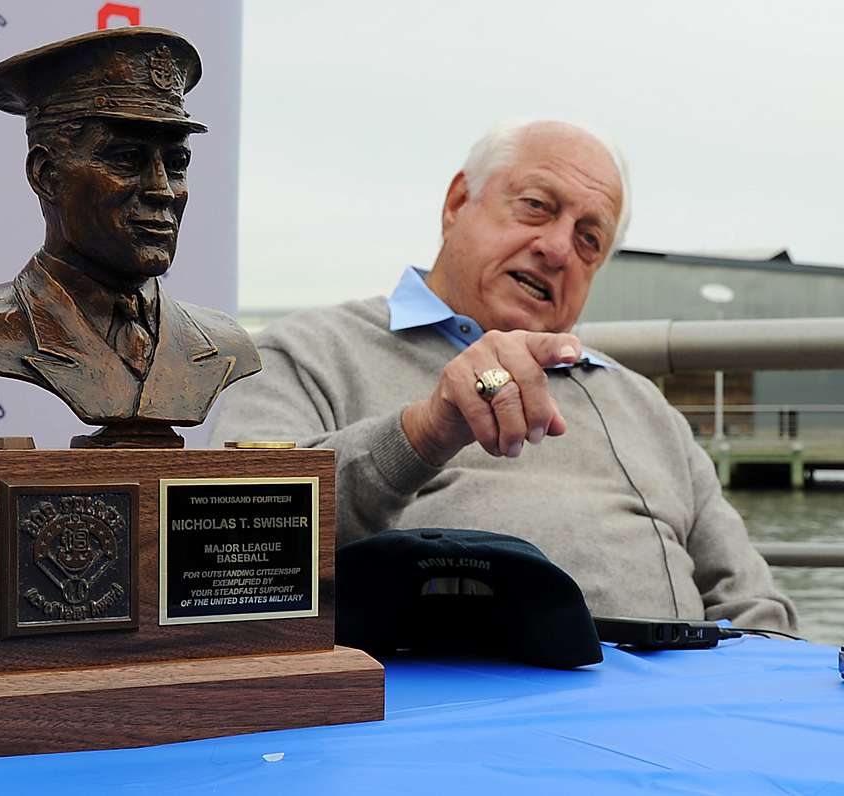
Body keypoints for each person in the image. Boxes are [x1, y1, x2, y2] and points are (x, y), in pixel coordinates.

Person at [210, 119, 797, 631]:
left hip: (665, 723)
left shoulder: (644, 406)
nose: (558, 248)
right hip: (433, 717)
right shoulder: (302, 353)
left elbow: (752, 607)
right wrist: (421, 433)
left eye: (589, 238)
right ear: (457, 202)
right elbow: (227, 545)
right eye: (537, 206)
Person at [0, 28, 259, 443]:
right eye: (127, 159)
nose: (162, 189)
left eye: (176, 163)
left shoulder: (224, 341)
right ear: (46, 175)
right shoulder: (0, 326)